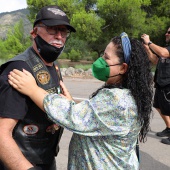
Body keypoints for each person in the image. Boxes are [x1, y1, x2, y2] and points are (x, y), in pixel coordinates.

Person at [8, 32, 153, 170]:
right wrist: (72, 103)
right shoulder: (127, 94)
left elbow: (73, 116)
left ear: (122, 68)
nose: (100, 61)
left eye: (107, 58)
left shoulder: (118, 101)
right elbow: (94, 118)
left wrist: (32, 89)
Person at [0, 5, 76, 170]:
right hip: (21, 163)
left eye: (63, 32)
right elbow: (1, 134)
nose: (59, 37)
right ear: (34, 33)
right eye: (52, 30)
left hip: (46, 159)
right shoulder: (19, 70)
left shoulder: (52, 65)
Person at [141, 28, 170, 145]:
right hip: (161, 83)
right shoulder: (166, 47)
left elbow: (163, 53)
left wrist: (149, 42)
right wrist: (148, 49)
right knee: (158, 106)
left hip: (169, 84)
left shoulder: (165, 50)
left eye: (169, 32)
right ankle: (169, 128)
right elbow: (155, 60)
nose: (166, 34)